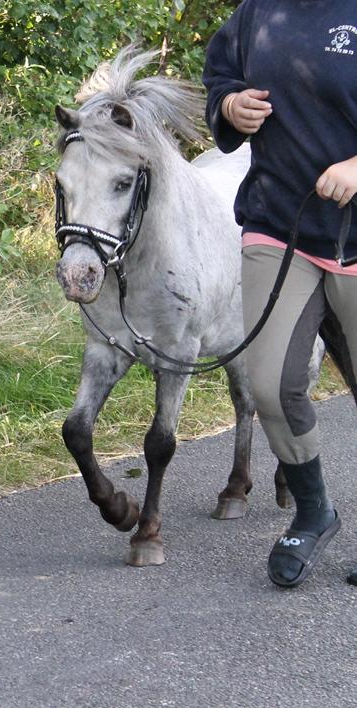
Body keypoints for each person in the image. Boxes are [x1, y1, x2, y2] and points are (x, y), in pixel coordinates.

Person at [203, 0, 357, 588]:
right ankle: (314, 510)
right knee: (268, 384)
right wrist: (229, 106)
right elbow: (221, 77)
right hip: (278, 222)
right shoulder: (255, 13)